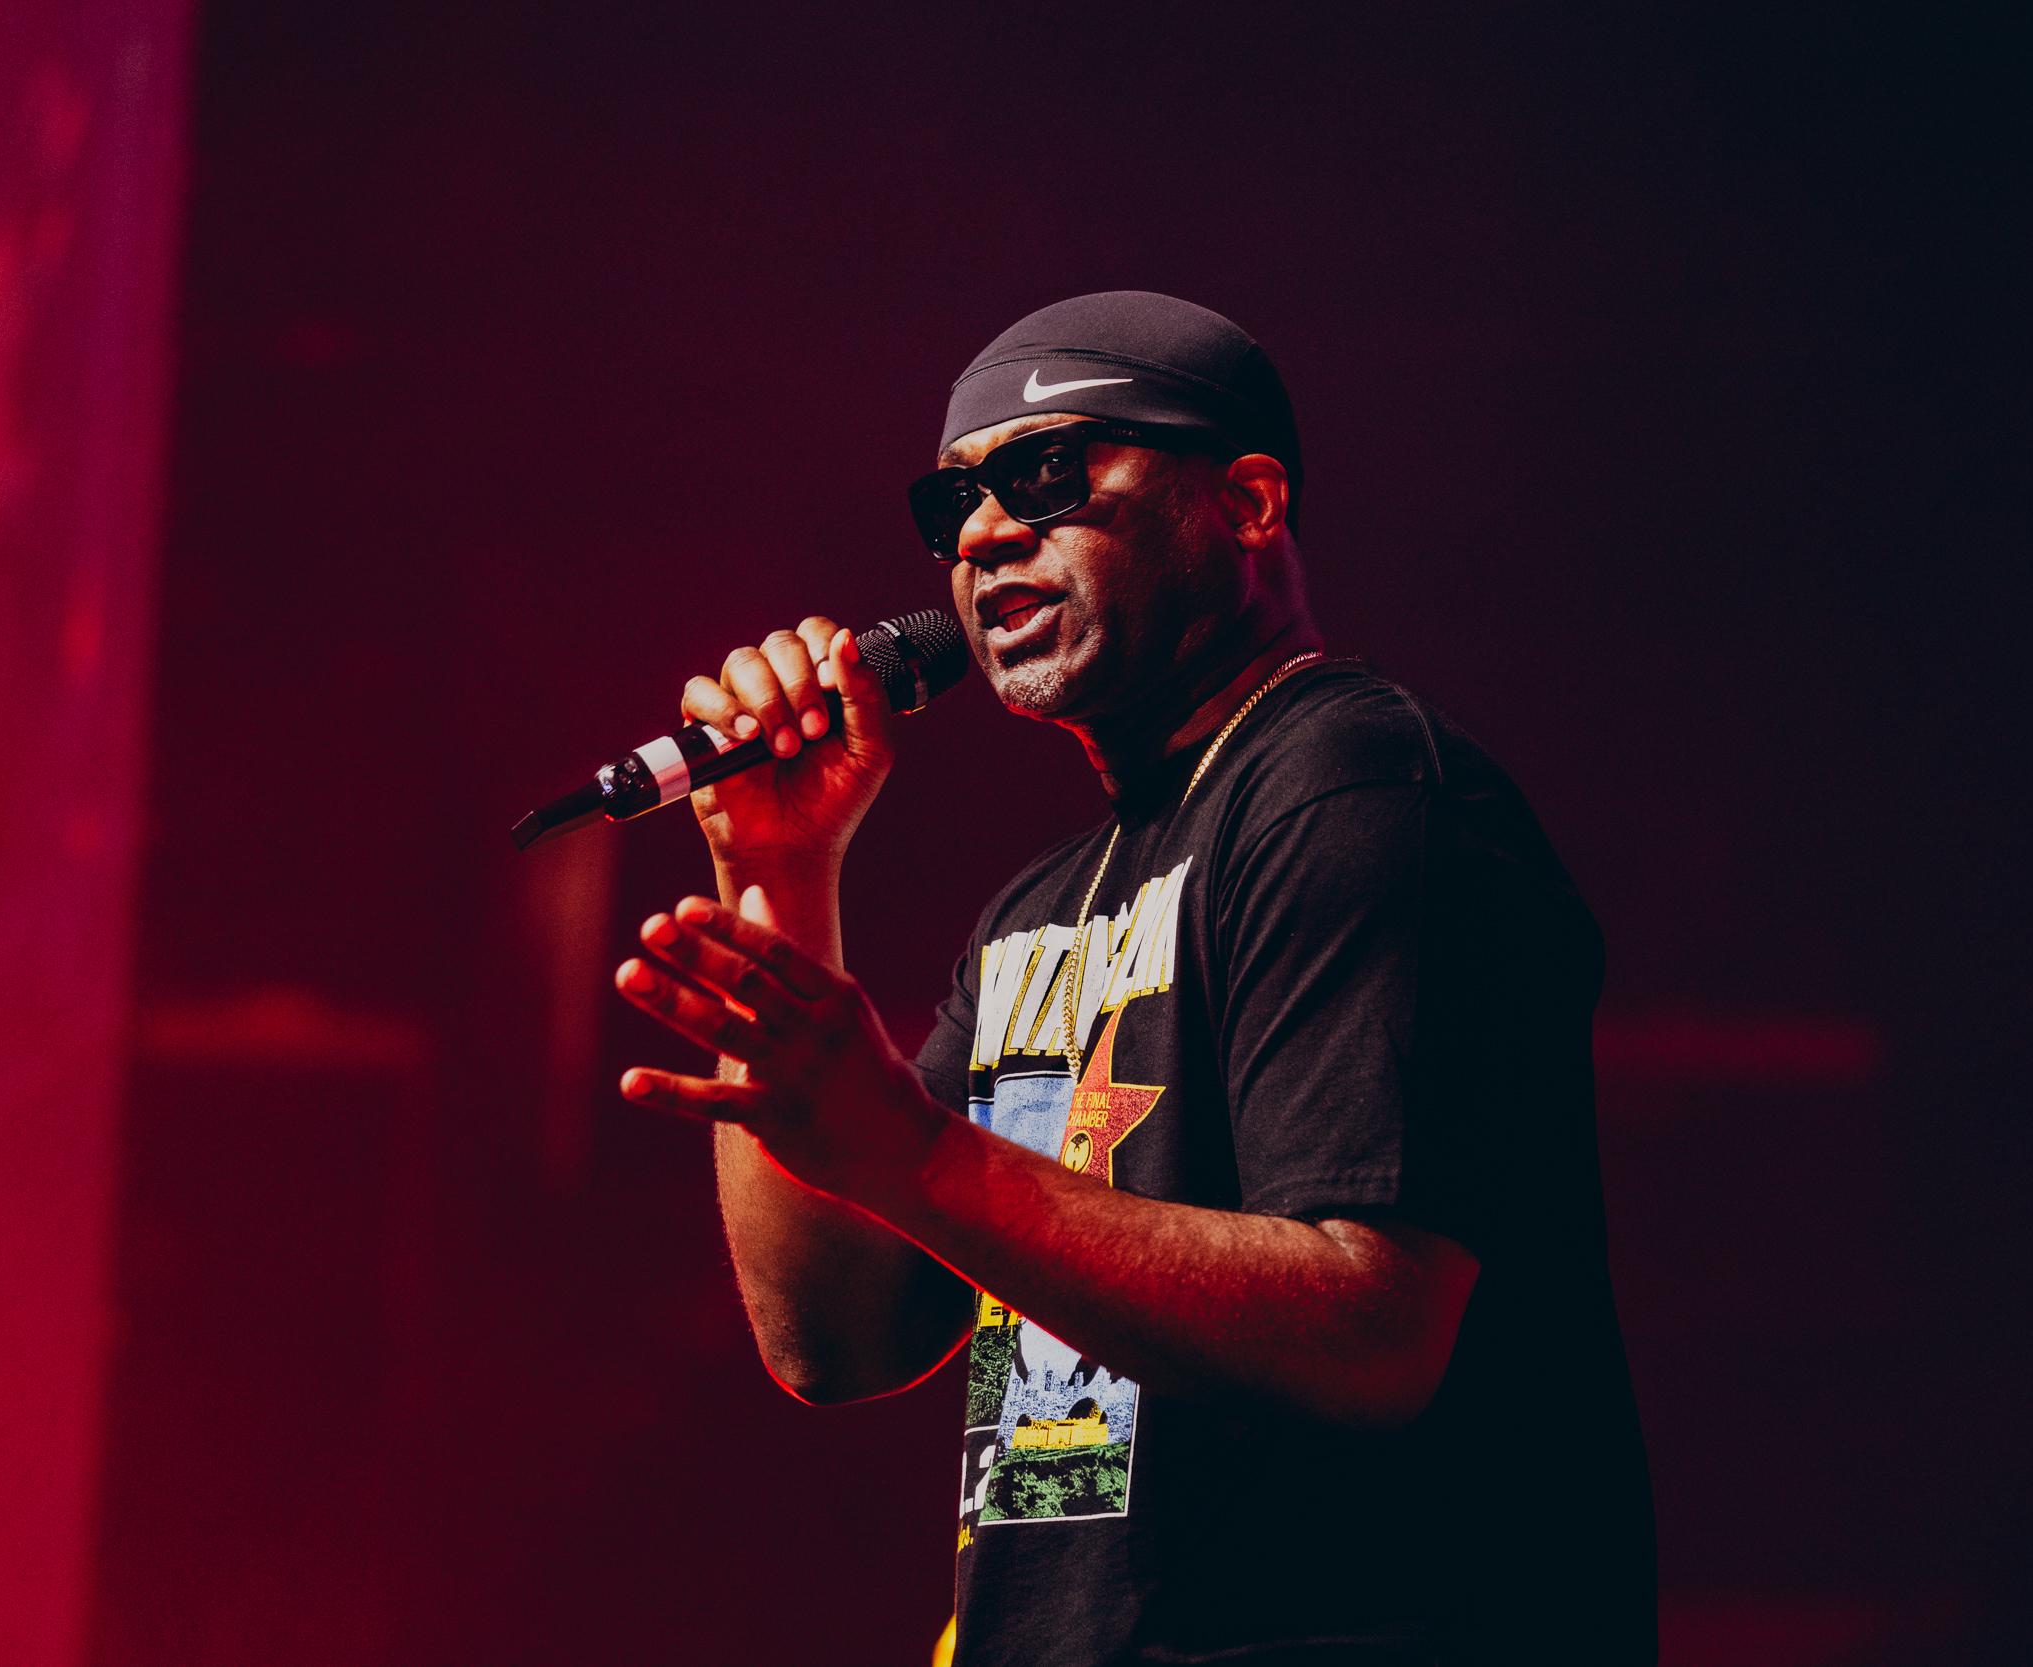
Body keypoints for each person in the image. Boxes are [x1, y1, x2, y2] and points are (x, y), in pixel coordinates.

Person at [611, 292, 1656, 1664]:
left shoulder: (1351, 786)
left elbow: (1372, 1329)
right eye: (954, 503)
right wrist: (781, 867)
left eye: (1047, 474)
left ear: (1248, 502)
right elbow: (837, 1342)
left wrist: (913, 1151)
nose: (982, 535)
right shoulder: (1038, 910)